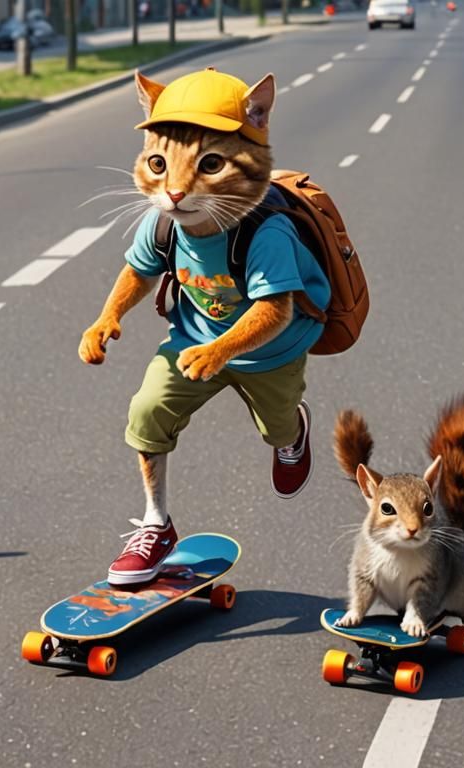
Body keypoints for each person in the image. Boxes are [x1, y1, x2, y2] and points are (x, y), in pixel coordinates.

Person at [79, 68, 329, 586]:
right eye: (158, 164)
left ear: (256, 130)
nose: (174, 190)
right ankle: (155, 524)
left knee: (276, 428)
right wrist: (108, 316)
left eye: (209, 165)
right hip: (193, 342)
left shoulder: (267, 232)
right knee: (146, 412)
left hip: (269, 353)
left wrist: (221, 351)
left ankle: (293, 434)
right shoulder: (164, 222)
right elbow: (139, 270)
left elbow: (274, 311)